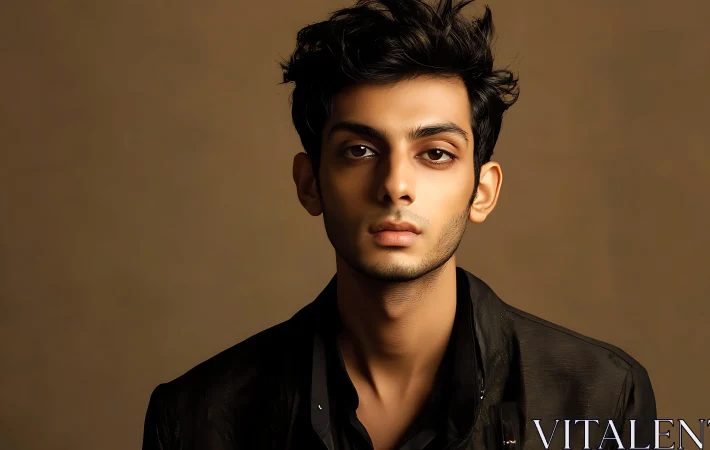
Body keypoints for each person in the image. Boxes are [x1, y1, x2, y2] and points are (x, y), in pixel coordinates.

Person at [142, 0, 657, 449]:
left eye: (434, 153)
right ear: (310, 183)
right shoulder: (197, 418)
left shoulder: (600, 397)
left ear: (483, 190)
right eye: (359, 150)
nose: (394, 185)